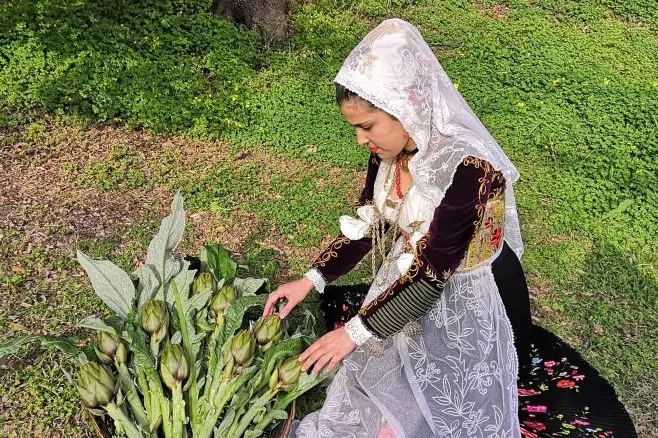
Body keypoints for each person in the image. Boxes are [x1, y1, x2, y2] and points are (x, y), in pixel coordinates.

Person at [263, 18, 636, 438]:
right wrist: (310, 280)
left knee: (422, 418)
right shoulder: (390, 151)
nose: (360, 140)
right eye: (355, 128)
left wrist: (353, 333)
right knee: (372, 390)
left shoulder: (469, 167)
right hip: (415, 280)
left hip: (477, 291)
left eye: (366, 126)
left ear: (406, 106)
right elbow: (369, 225)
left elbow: (432, 274)